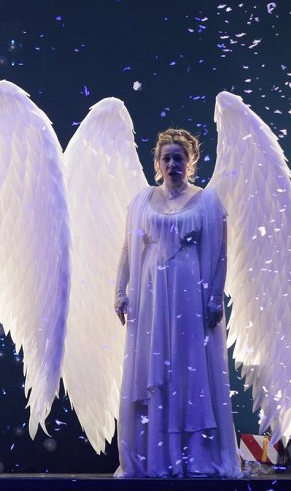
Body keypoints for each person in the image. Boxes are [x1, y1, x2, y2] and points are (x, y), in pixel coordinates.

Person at [113, 128, 239, 478]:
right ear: (157, 163)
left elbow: (220, 253)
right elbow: (128, 247)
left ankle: (195, 456)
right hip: (152, 294)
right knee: (155, 369)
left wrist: (214, 297)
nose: (172, 164)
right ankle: (155, 457)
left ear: (190, 161)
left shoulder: (208, 202)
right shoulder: (142, 200)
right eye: (166, 158)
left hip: (189, 294)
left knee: (187, 368)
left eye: (178, 158)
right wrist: (120, 291)